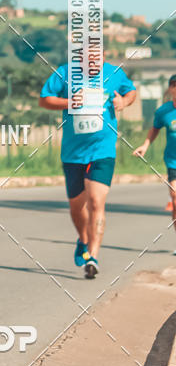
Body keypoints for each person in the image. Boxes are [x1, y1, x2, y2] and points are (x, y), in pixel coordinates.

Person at [39, 54, 136, 278]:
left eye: (98, 56)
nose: (94, 61)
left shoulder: (114, 73)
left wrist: (124, 101)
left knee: (96, 202)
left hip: (102, 150)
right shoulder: (64, 73)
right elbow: (45, 99)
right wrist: (70, 102)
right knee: (76, 208)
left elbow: (131, 91)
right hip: (73, 153)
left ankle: (92, 256)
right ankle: (83, 240)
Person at [134, 74, 176, 252]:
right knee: (175, 199)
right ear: (170, 89)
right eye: (174, 85)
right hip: (173, 161)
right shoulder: (163, 111)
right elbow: (154, 130)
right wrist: (145, 145)